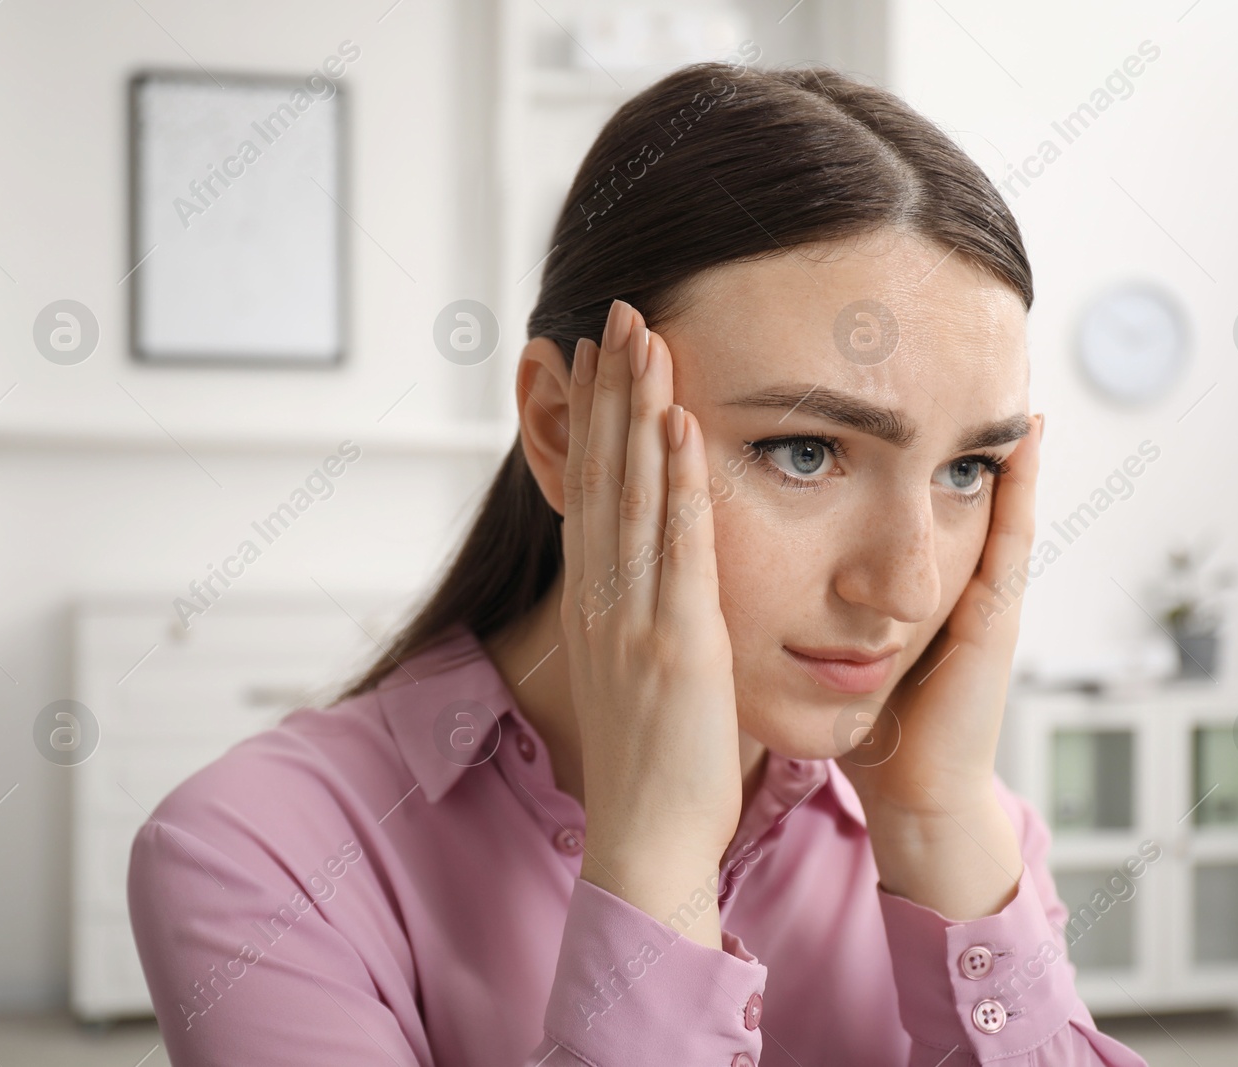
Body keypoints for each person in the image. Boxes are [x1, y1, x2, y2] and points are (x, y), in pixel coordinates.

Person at [127, 57, 1150, 1066]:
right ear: (563, 427)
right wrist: (654, 859)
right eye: (804, 452)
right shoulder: (256, 853)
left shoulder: (975, 834)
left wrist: (938, 823)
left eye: (968, 468)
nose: (908, 586)